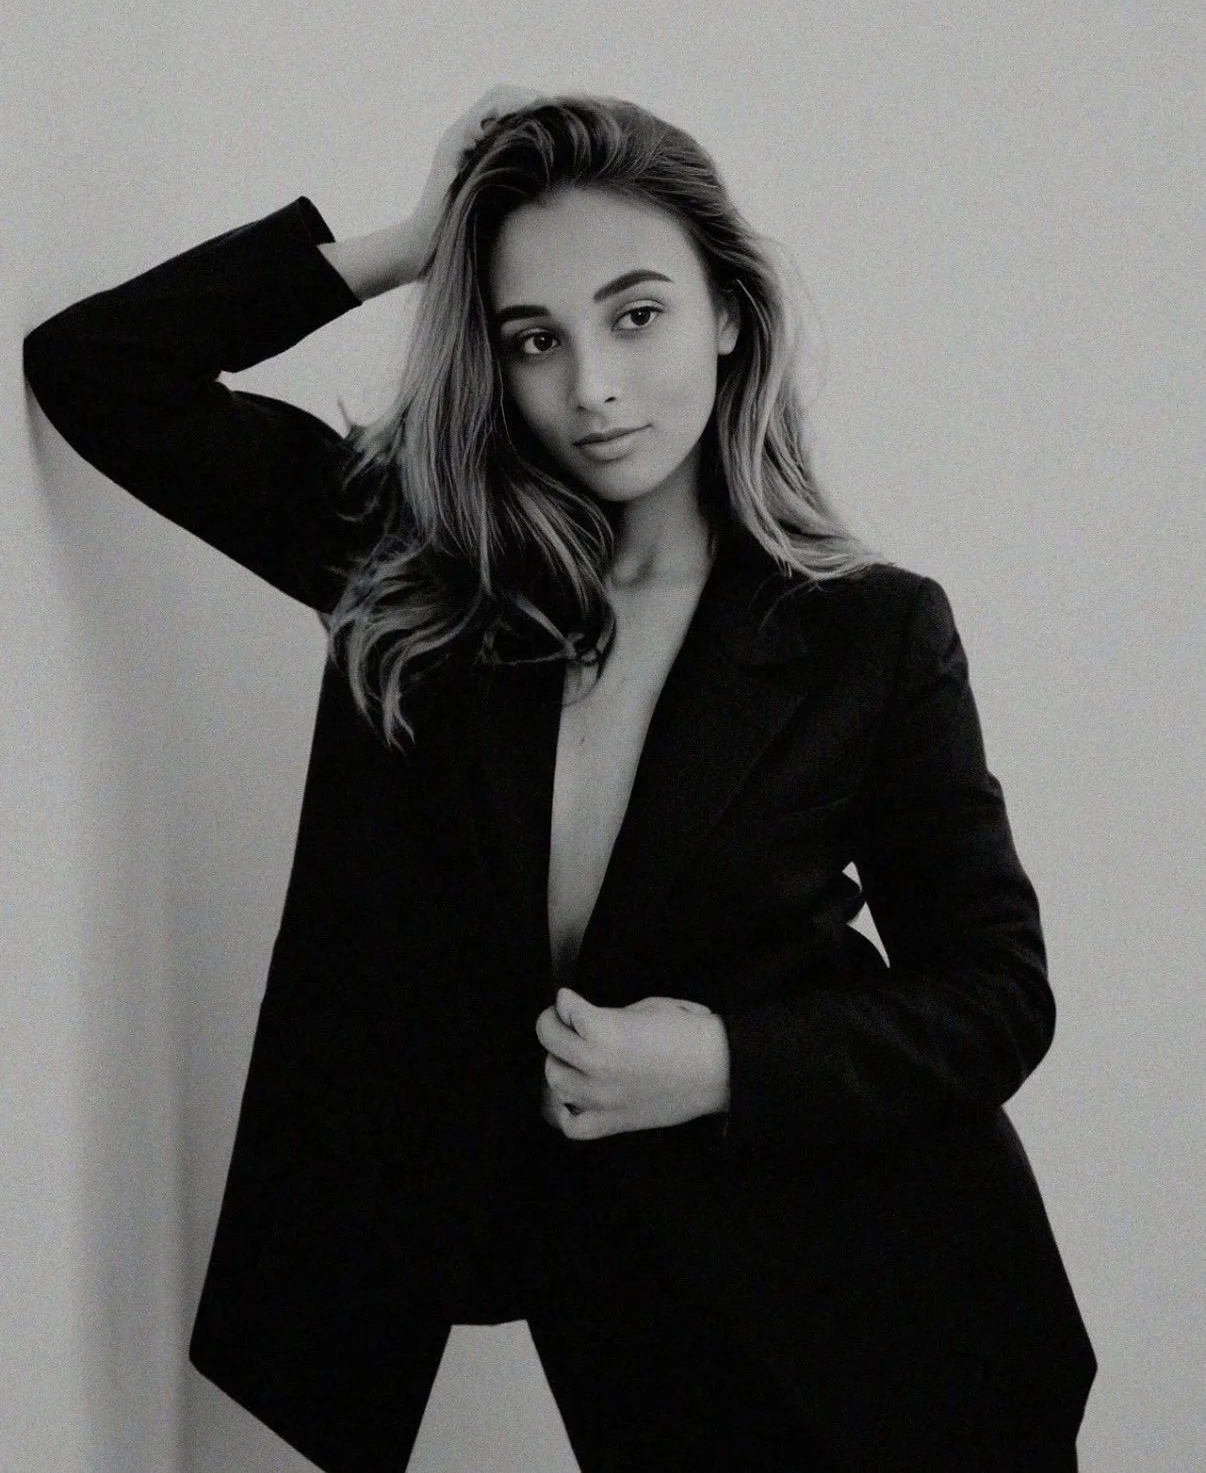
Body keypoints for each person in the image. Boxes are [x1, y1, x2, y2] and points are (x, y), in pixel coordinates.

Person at [23, 90, 1096, 1472]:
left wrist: (721, 1063)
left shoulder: (866, 632)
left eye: (635, 315)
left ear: (728, 313)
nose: (590, 384)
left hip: (900, 1309)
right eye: (533, 336)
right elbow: (99, 368)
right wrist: (416, 242)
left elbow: (998, 994)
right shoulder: (416, 572)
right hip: (626, 1319)